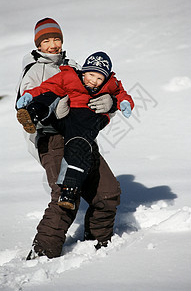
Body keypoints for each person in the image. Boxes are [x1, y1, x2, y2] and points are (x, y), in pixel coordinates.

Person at [15, 17, 123, 259]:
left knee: (107, 192)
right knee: (67, 196)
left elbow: (97, 103)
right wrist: (55, 115)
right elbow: (25, 112)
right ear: (38, 45)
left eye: (56, 39)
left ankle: (97, 246)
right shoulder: (33, 71)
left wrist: (111, 104)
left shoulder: (75, 67)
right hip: (52, 140)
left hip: (82, 138)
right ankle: (42, 255)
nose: (52, 44)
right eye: (46, 40)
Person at [16, 51, 134, 210]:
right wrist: (30, 94)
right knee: (51, 94)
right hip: (65, 116)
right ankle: (32, 113)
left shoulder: (111, 84)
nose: (94, 81)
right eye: (91, 75)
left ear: (105, 79)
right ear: (84, 71)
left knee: (78, 147)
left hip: (86, 120)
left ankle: (69, 190)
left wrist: (123, 103)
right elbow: (48, 86)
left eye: (100, 78)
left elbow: (121, 94)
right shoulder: (69, 76)